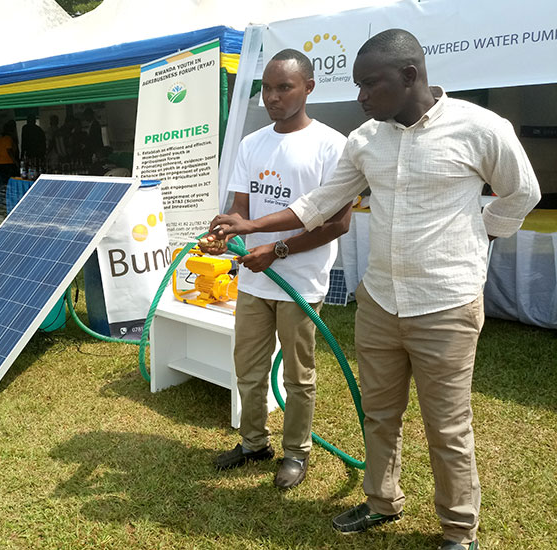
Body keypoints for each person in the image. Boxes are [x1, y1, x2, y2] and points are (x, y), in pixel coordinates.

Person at [207, 29, 541, 550]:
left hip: (445, 305)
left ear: (409, 77)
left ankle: (459, 531)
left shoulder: (480, 128)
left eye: (370, 84)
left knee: (447, 427)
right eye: (358, 85)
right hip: (380, 302)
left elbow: (523, 192)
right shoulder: (366, 140)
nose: (360, 96)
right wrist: (249, 227)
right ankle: (382, 501)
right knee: (379, 413)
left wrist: (485, 230)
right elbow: (321, 204)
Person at [201, 49, 350, 491]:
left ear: (308, 88)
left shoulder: (331, 145)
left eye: (283, 87)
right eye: (266, 88)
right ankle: (253, 443)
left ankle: (295, 453)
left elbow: (337, 223)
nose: (272, 97)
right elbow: (241, 209)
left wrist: (276, 250)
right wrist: (225, 232)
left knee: (297, 375)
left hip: (299, 281)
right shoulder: (253, 143)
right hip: (253, 278)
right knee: (247, 366)